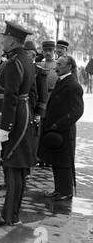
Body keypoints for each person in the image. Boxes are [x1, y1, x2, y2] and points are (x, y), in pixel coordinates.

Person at [0, 21, 36, 226]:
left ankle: (8, 217)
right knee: (19, 169)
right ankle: (13, 215)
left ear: (12, 40)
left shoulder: (16, 62)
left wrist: (5, 129)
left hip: (15, 118)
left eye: (4, 38)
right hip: (24, 114)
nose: (2, 40)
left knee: (12, 167)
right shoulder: (24, 59)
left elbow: (11, 97)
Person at [37, 56, 84, 201]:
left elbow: (77, 111)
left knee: (64, 162)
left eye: (60, 64)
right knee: (56, 160)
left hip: (64, 130)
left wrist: (58, 125)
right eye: (57, 63)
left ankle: (66, 191)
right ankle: (59, 190)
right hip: (55, 128)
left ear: (69, 66)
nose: (56, 66)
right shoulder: (62, 81)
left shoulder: (73, 85)